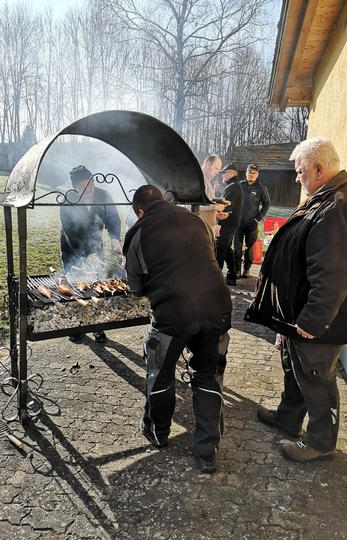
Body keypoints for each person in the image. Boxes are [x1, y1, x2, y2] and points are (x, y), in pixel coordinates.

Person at [244, 137, 347, 463]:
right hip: (299, 314)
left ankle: (320, 442)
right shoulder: (323, 198)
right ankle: (288, 417)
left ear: (318, 168)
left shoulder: (339, 206)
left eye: (300, 172)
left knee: (316, 377)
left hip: (321, 320)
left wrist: (312, 321)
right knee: (295, 368)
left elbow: (334, 274)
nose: (296, 178)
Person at [123, 184, 233, 474]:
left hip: (173, 313)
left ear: (140, 211)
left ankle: (158, 433)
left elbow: (135, 286)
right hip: (217, 308)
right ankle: (207, 451)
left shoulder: (138, 231)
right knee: (209, 376)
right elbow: (208, 257)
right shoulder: (196, 220)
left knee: (160, 374)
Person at [60, 165, 122, 343]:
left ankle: (97, 326)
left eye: (90, 185)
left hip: (96, 246)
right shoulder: (67, 201)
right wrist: (86, 255)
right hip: (72, 247)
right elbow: (69, 232)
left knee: (96, 285)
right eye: (82, 187)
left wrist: (114, 238)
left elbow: (113, 218)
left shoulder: (103, 195)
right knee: (74, 286)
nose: (88, 190)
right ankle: (77, 326)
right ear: (74, 188)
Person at [233, 164, 271, 278]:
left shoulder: (261, 188)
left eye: (254, 173)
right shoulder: (239, 186)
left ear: (257, 174)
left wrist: (258, 218)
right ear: (246, 173)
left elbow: (267, 204)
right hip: (238, 222)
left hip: (252, 223)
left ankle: (247, 269)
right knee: (237, 247)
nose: (251, 174)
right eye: (250, 172)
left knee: (250, 247)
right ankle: (237, 269)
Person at [195, 154, 237, 235]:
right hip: (199, 230)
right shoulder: (197, 179)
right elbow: (192, 206)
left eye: (218, 171)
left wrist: (217, 214)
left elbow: (206, 203)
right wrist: (215, 207)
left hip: (208, 229)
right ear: (207, 164)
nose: (216, 173)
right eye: (216, 169)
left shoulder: (207, 180)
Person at [215, 166, 243, 286]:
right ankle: (232, 275)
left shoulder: (233, 187)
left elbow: (226, 207)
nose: (222, 176)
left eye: (224, 173)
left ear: (231, 173)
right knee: (227, 249)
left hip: (227, 223)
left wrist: (218, 223)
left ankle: (215, 279)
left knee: (220, 248)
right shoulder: (235, 186)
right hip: (232, 223)